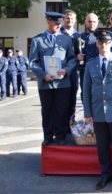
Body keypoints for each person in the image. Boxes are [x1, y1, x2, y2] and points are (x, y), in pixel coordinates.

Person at [83, 29, 112, 191]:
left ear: (111, 43)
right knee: (102, 146)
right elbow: (86, 91)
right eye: (101, 42)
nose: (103, 45)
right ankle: (105, 173)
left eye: (107, 42)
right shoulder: (90, 64)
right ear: (97, 44)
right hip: (97, 112)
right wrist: (88, 113)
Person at [29, 12, 77, 146]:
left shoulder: (66, 40)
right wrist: (43, 74)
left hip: (63, 83)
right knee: (47, 111)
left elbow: (72, 59)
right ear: (48, 21)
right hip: (45, 83)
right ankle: (48, 136)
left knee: (61, 111)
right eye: (56, 23)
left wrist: (66, 70)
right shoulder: (37, 40)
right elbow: (33, 61)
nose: (58, 26)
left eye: (59, 23)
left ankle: (61, 136)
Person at [61, 9, 80, 119]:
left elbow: (80, 52)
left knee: (73, 98)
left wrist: (79, 58)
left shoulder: (78, 36)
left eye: (72, 18)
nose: (70, 20)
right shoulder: (59, 33)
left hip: (73, 72)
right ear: (63, 19)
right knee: (62, 100)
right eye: (67, 18)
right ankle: (61, 129)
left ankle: (71, 127)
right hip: (62, 71)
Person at [78, 13, 99, 97]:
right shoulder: (80, 38)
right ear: (85, 22)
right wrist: (77, 57)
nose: (92, 24)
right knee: (85, 94)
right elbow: (74, 54)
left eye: (94, 22)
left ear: (97, 22)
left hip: (99, 71)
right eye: (89, 21)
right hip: (85, 71)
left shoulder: (102, 36)